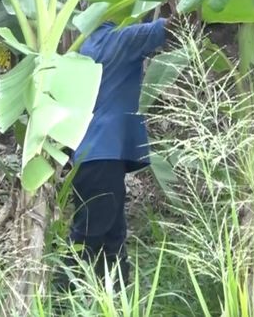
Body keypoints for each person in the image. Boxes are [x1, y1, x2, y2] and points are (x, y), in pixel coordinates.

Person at [58, 15, 174, 291]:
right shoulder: (117, 39)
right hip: (104, 154)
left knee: (112, 236)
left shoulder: (83, 47)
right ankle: (59, 298)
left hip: (87, 156)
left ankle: (116, 299)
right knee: (89, 234)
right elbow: (168, 28)